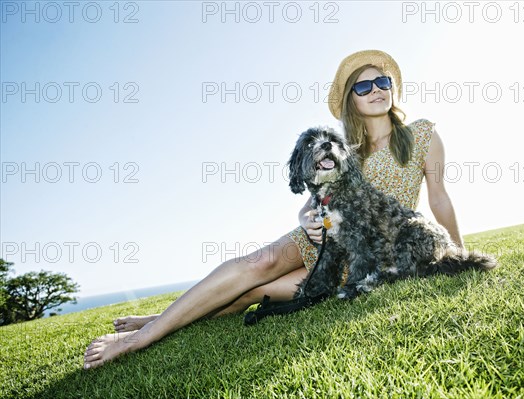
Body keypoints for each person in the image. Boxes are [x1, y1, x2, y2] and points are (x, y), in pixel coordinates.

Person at [83, 49, 464, 369]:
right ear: (352, 98)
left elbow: (438, 198)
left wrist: (456, 251)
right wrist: (306, 219)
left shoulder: (422, 134)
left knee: (257, 291)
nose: (376, 90)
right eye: (364, 86)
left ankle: (158, 321)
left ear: (392, 90)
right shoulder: (341, 146)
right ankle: (143, 336)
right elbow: (310, 200)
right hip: (320, 236)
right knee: (255, 266)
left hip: (366, 254)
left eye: (383, 82)